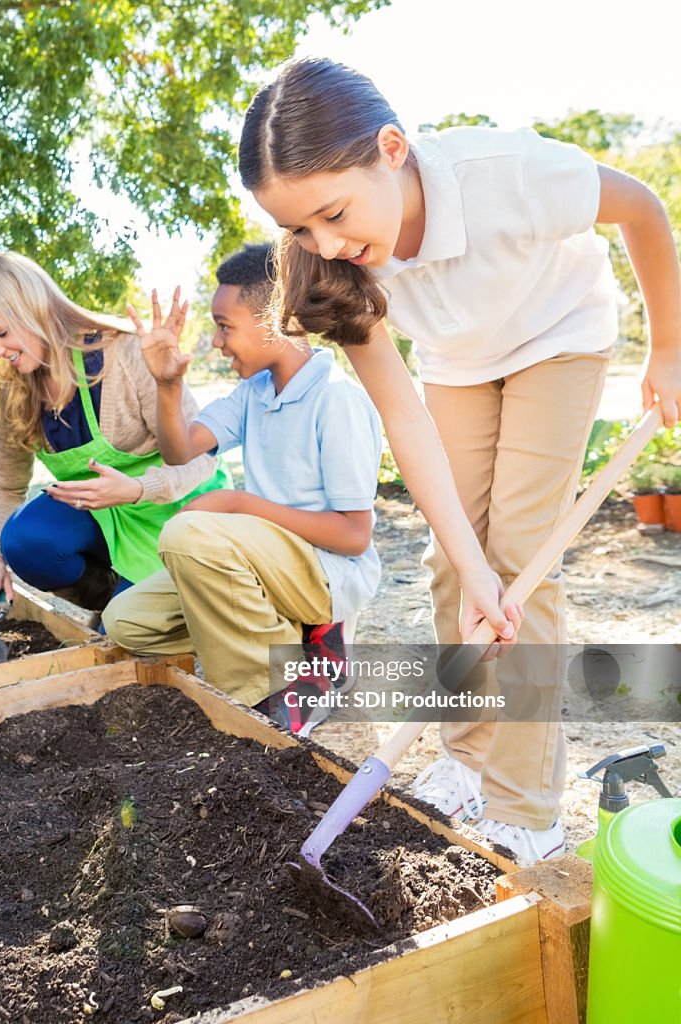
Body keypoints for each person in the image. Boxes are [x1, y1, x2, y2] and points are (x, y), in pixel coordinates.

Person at [237, 57, 681, 862]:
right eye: (299, 229)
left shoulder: (509, 173)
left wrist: (671, 349)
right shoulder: (335, 268)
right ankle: (466, 757)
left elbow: (643, 210)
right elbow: (403, 416)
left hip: (559, 337)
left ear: (393, 150)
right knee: (458, 565)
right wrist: (465, 559)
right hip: (457, 362)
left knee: (517, 564)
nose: (326, 243)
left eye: (333, 213)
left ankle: (526, 808)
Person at [102, 243, 383, 736]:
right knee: (127, 621)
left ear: (276, 318)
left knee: (188, 536)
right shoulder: (254, 393)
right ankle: (290, 640)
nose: (215, 342)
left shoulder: (335, 399)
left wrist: (239, 504)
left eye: (224, 325)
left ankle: (283, 690)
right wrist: (166, 385)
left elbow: (354, 537)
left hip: (328, 572)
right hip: (267, 565)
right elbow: (181, 449)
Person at [0, 252, 230, 623]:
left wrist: (137, 489)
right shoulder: (12, 390)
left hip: (177, 509)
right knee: (24, 541)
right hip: (107, 518)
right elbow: (6, 485)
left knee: (148, 628)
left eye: (1, 333)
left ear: (34, 311)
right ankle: (122, 602)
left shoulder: (126, 354)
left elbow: (203, 457)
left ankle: (171, 603)